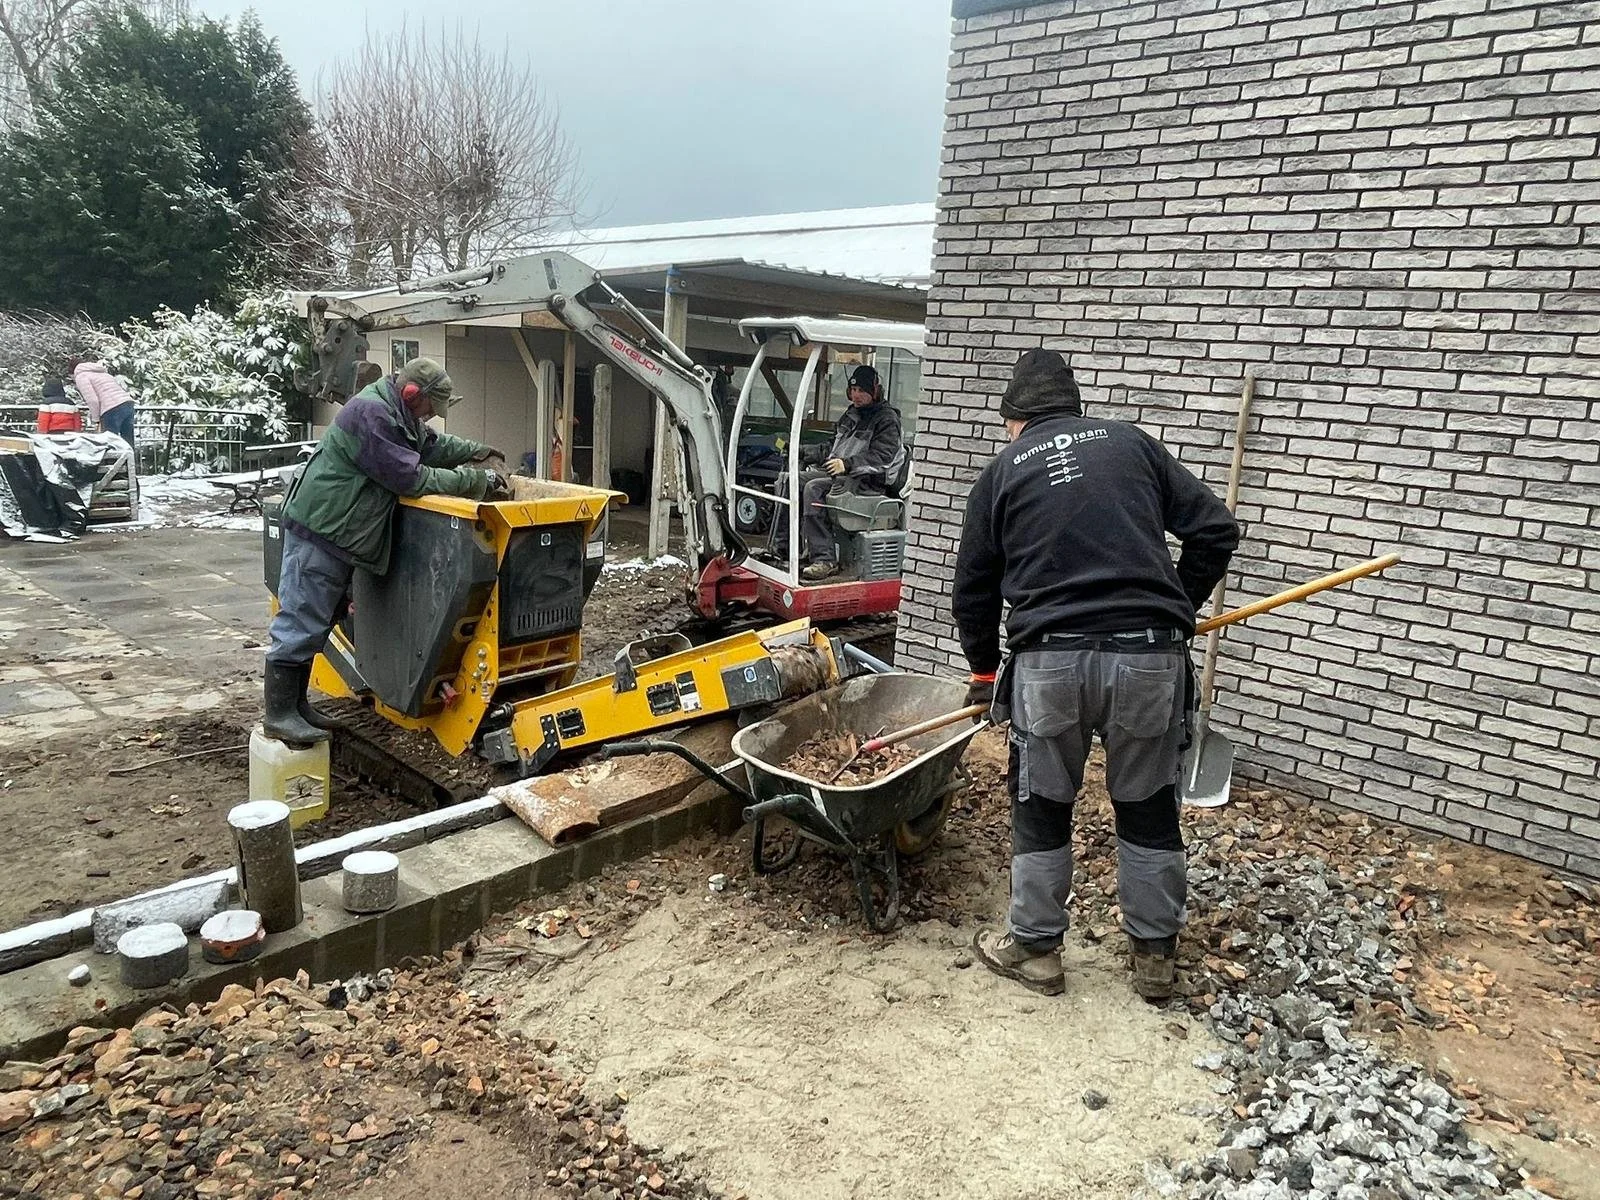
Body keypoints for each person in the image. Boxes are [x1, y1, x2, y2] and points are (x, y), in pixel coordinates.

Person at [953, 349, 1239, 1001]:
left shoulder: (1002, 473)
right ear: (1074, 409)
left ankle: (1034, 949)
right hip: (1150, 664)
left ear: (1015, 419)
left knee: (1043, 804)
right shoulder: (1131, 444)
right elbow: (1216, 531)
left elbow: (974, 588)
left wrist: (981, 672)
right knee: (1147, 807)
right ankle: (1155, 961)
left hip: (1050, 666)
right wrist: (1174, 609)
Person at [265, 356, 508, 746]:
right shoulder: (372, 414)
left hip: (339, 531)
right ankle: (278, 714)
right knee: (302, 617)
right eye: (430, 408)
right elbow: (410, 477)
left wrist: (476, 451)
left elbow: (431, 446)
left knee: (320, 618)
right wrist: (477, 481)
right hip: (321, 529)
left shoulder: (399, 413)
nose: (430, 417)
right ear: (413, 393)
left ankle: (296, 706)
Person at [768, 364, 907, 581]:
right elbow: (831, 448)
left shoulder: (887, 420)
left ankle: (825, 560)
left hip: (867, 482)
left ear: (875, 390)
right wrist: (800, 451)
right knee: (789, 480)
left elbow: (882, 458)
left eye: (862, 390)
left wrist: (848, 464)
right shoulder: (851, 415)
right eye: (853, 390)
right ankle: (783, 549)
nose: (856, 396)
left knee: (814, 488)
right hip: (841, 477)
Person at [67, 357, 137, 448]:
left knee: (110, 441)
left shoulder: (81, 376)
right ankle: (130, 461)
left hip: (111, 408)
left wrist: (96, 419)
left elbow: (92, 400)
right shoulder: (102, 373)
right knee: (127, 440)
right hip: (127, 403)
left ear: (72, 372)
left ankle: (112, 462)